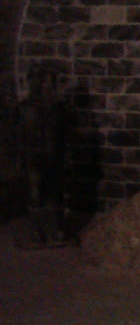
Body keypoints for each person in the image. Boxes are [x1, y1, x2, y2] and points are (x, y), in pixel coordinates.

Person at [18, 68, 67, 244]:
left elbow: (62, 134)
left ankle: (57, 229)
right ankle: (37, 231)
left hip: (53, 155)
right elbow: (19, 135)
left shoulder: (57, 108)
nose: (48, 86)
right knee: (35, 194)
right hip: (34, 156)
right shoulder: (25, 108)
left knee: (55, 193)